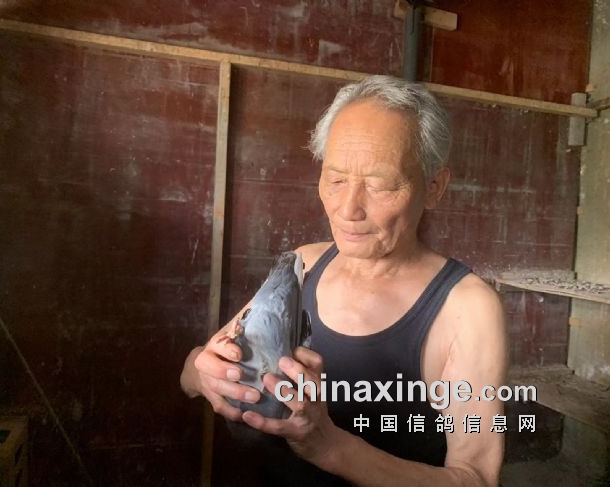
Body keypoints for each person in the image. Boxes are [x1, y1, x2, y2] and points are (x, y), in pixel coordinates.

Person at [180, 75, 508, 486]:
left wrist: (329, 448)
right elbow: (191, 373)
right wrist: (207, 373)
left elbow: (477, 478)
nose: (348, 209)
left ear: (434, 188)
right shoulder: (303, 264)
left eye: (380, 185)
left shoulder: (467, 308)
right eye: (335, 180)